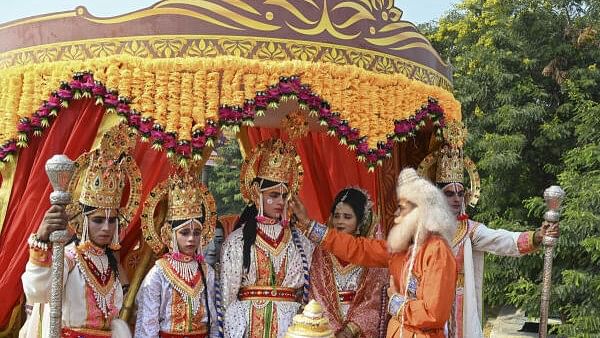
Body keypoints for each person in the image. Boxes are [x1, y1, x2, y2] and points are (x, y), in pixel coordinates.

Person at [417, 123, 560, 338]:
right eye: (449, 193)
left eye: (460, 192)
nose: (457, 198)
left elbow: (500, 239)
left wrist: (536, 237)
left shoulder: (469, 231)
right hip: (428, 302)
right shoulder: (422, 232)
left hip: (460, 305)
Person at [290, 168, 457, 338]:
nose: (396, 214)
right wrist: (308, 224)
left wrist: (395, 301)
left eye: (403, 209)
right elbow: (356, 248)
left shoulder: (438, 252)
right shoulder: (399, 249)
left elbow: (434, 314)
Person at [20, 124, 141, 337]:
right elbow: (37, 292)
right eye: (97, 220)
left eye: (112, 220)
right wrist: (40, 240)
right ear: (83, 220)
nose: (106, 227)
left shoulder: (111, 263)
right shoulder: (69, 257)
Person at [219, 139, 314, 338]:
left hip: (290, 325)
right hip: (246, 323)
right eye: (273, 195)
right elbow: (227, 295)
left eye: (284, 195)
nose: (280, 201)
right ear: (256, 194)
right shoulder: (237, 241)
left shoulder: (301, 241)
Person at [135, 170, 218, 337]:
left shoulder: (207, 271)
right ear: (169, 234)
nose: (191, 239)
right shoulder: (159, 273)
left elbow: (214, 321)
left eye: (196, 233)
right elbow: (147, 323)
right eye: (184, 232)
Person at [308, 187, 388, 338]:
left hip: (360, 331)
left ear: (360, 221)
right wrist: (333, 329)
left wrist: (350, 330)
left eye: (347, 217)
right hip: (327, 330)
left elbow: (374, 299)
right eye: (336, 216)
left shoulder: (372, 251)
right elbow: (317, 293)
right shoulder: (322, 252)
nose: (340, 222)